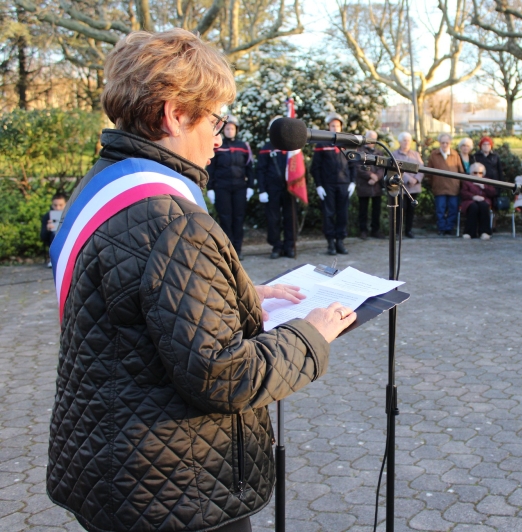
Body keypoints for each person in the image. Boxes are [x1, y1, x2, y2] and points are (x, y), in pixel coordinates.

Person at [46, 29, 356, 532]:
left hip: (108, 463)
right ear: (173, 114)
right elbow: (223, 376)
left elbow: (124, 296)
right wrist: (311, 335)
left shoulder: (106, 182)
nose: (219, 135)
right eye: (214, 119)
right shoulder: (171, 218)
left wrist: (233, 295)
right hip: (176, 483)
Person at [206, 115, 255, 255]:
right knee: (225, 218)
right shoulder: (218, 146)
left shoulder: (244, 146)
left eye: (232, 128)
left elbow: (249, 167)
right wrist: (210, 188)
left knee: (238, 218)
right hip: (222, 187)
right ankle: (227, 251)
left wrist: (250, 186)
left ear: (236, 130)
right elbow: (211, 169)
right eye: (227, 128)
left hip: (240, 187)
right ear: (223, 130)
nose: (229, 131)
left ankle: (238, 249)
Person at [311, 112, 356, 255]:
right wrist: (318, 185)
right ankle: (330, 243)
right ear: (328, 127)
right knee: (328, 214)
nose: (335, 128)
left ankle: (340, 242)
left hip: (344, 184)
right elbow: (315, 167)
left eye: (337, 125)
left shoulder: (347, 143)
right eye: (332, 125)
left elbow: (353, 164)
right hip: (327, 185)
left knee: (343, 214)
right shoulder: (321, 144)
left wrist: (353, 182)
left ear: (341, 127)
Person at [257, 117, 296, 259]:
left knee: (290, 218)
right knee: (273, 219)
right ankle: (276, 246)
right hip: (272, 188)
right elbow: (260, 170)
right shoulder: (266, 148)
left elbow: (298, 167)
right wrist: (261, 190)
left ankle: (289, 246)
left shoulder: (291, 146)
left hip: (289, 188)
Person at [425, 133, 464, 236]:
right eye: (443, 143)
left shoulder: (455, 154)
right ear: (439, 143)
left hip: (453, 188)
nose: (445, 145)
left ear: (450, 143)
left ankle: (449, 228)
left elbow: (461, 171)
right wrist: (433, 183)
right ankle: (441, 228)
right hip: (439, 188)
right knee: (440, 210)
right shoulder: (434, 154)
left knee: (453, 209)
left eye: (447, 143)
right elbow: (428, 172)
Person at [392, 132, 424, 238]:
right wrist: (407, 178)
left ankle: (408, 230)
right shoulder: (394, 154)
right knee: (400, 210)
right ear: (400, 142)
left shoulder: (416, 154)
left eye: (408, 140)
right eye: (404, 140)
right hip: (401, 187)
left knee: (411, 210)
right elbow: (394, 169)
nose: (406, 143)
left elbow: (421, 168)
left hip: (413, 187)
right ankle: (398, 231)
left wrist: (416, 179)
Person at [355, 130, 385, 239]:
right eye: (369, 138)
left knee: (376, 210)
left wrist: (377, 177)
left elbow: (382, 167)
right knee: (363, 210)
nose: (371, 140)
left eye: (373, 138)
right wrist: (370, 175)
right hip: (364, 185)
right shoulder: (359, 151)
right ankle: (363, 231)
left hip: (377, 186)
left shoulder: (379, 152)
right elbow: (358, 167)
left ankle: (375, 230)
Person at [460, 162, 497, 240]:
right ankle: (469, 233)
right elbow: (463, 192)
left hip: (484, 200)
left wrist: (483, 187)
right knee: (473, 207)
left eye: (480, 173)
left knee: (483, 207)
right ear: (471, 173)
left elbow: (493, 192)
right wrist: (473, 197)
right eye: (475, 172)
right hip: (470, 201)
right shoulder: (467, 181)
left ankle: (485, 232)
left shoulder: (487, 180)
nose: (477, 175)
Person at [40, 193, 67, 267]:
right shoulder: (47, 216)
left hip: (67, 238)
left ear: (66, 204)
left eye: (61, 205)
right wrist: (47, 229)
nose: (58, 208)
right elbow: (42, 237)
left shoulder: (70, 215)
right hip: (53, 238)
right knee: (54, 234)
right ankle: (55, 259)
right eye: (55, 205)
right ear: (52, 205)